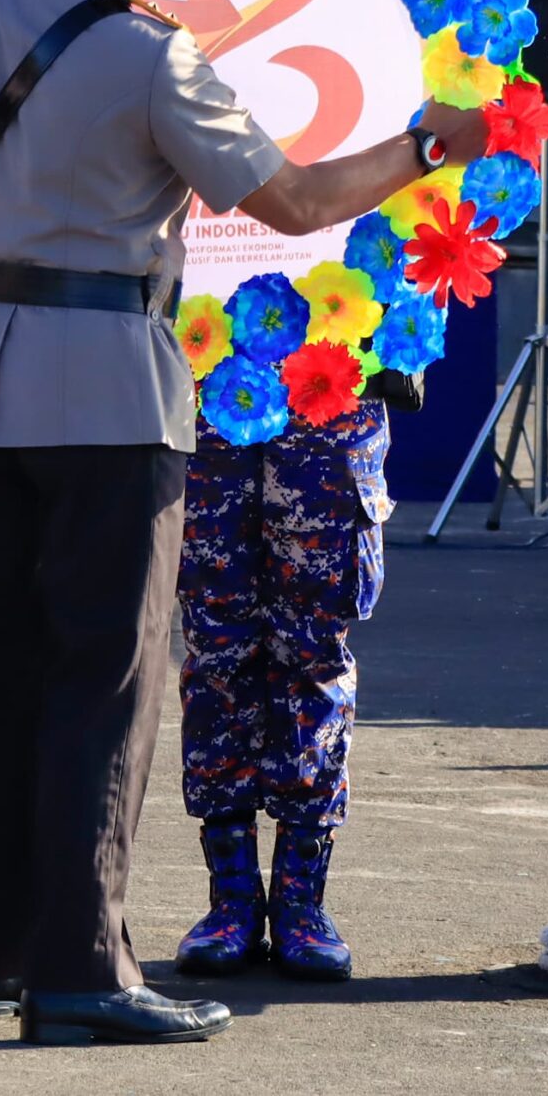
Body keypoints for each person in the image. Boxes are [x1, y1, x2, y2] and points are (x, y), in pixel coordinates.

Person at [0, 0, 488, 1045]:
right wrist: (425, 144)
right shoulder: (149, 54)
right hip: (107, 400)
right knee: (108, 681)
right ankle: (83, 968)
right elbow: (297, 204)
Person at [174, 388, 396, 982]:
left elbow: (423, 294)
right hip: (212, 385)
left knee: (313, 657)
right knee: (217, 650)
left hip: (330, 387)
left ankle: (302, 902)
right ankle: (232, 899)